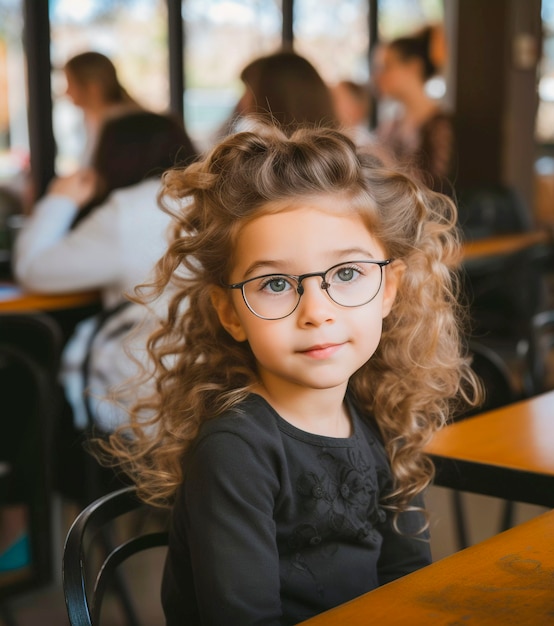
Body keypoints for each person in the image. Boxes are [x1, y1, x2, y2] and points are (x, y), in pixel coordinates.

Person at [102, 123, 479, 624]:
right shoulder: (235, 451)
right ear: (231, 313)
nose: (316, 311)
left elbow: (409, 578)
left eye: (346, 274)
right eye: (276, 283)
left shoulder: (377, 411)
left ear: (389, 288)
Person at [13, 110, 197, 435]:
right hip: (216, 388)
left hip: (147, 395)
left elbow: (32, 270)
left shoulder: (129, 211)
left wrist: (60, 200)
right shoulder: (214, 197)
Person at [374, 25, 455, 195]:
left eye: (387, 66)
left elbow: (438, 187)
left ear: (413, 67)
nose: (379, 76)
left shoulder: (440, 126)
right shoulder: (391, 124)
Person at [216, 49, 338, 139]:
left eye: (247, 90)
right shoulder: (340, 159)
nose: (241, 101)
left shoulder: (260, 165)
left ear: (272, 98)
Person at [63, 51, 141, 166]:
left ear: (92, 86)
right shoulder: (90, 119)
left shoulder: (122, 124)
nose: (67, 92)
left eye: (70, 83)